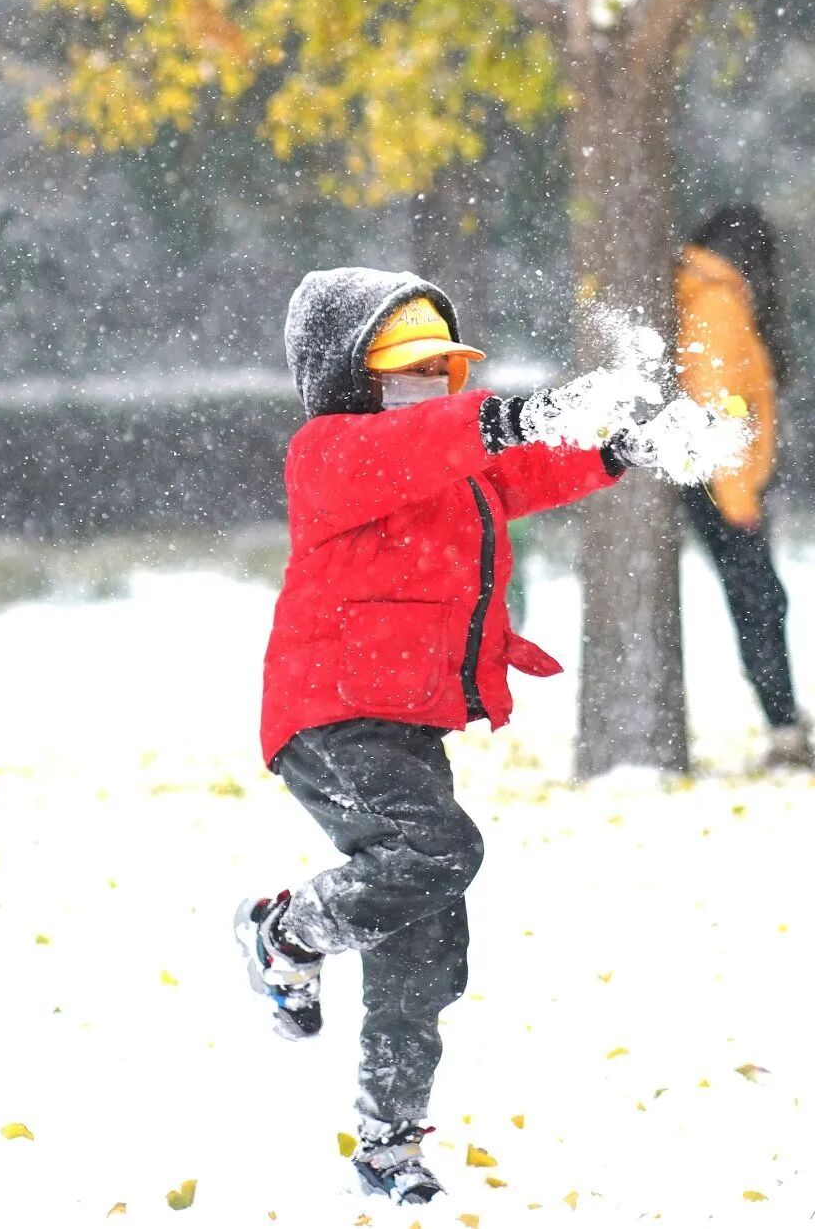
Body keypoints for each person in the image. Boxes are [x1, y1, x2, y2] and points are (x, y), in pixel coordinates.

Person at [234, 267, 671, 1206]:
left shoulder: (448, 458)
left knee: (424, 939)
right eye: (409, 369)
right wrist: (506, 414)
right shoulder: (331, 453)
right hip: (328, 716)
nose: (435, 383)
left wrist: (617, 450)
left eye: (445, 366)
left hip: (407, 718)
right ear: (352, 379)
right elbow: (434, 442)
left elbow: (518, 472)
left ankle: (388, 1143)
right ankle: (285, 933)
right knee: (441, 849)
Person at [676, 203, 810, 767]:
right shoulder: (717, 301)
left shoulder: (708, 289)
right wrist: (737, 497)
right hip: (721, 484)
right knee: (760, 601)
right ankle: (782, 726)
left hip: (720, 480)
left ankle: (783, 721)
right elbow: (719, 406)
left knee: (760, 599)